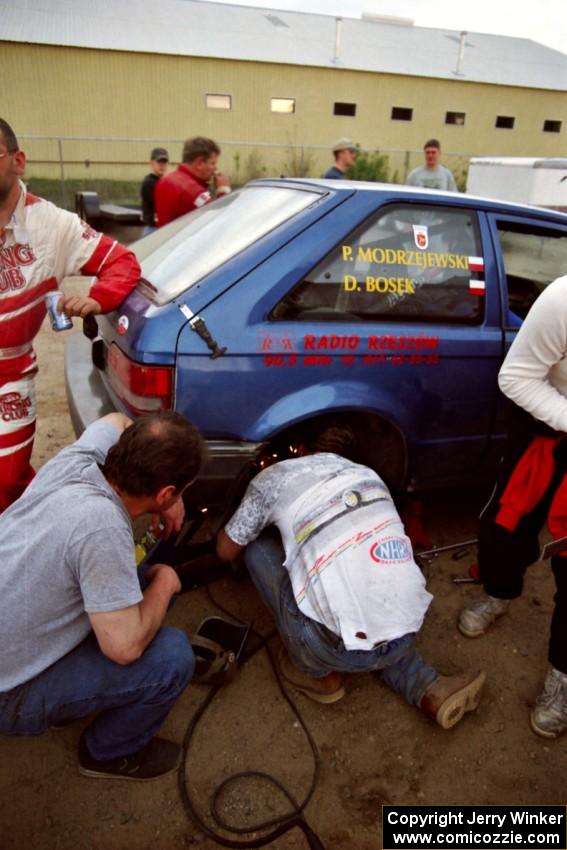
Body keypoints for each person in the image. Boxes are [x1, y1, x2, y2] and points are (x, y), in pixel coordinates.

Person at [216, 422, 485, 728]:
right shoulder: (371, 478)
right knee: (365, 586)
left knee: (255, 547)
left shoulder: (276, 477)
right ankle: (428, 687)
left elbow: (226, 551)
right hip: (406, 630)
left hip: (329, 646)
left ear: (301, 452)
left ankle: (318, 674)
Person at [0, 411, 205, 780]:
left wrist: (172, 504)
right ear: (165, 492)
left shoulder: (78, 462)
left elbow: (117, 418)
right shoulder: (101, 528)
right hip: (8, 694)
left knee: (137, 587)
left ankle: (74, 699)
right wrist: (167, 582)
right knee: (172, 655)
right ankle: (106, 753)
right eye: (181, 492)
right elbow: (123, 648)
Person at [0, 118, 141, 512]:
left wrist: (98, 299)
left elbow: (122, 261)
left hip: (8, 376)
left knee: (5, 478)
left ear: (18, 160)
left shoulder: (53, 224)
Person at [458, 275, 567, 739]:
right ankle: (500, 592)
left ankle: (563, 674)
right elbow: (516, 376)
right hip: (545, 429)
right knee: (505, 527)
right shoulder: (564, 299)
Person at [155, 136, 231, 227]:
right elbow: (220, 220)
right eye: (213, 163)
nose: (215, 168)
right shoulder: (194, 191)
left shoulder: (165, 180)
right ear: (199, 163)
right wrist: (223, 191)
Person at [140, 146, 169, 235]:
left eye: (164, 162)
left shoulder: (164, 181)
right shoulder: (149, 182)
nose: (162, 165)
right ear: (152, 163)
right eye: (159, 162)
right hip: (153, 229)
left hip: (163, 227)